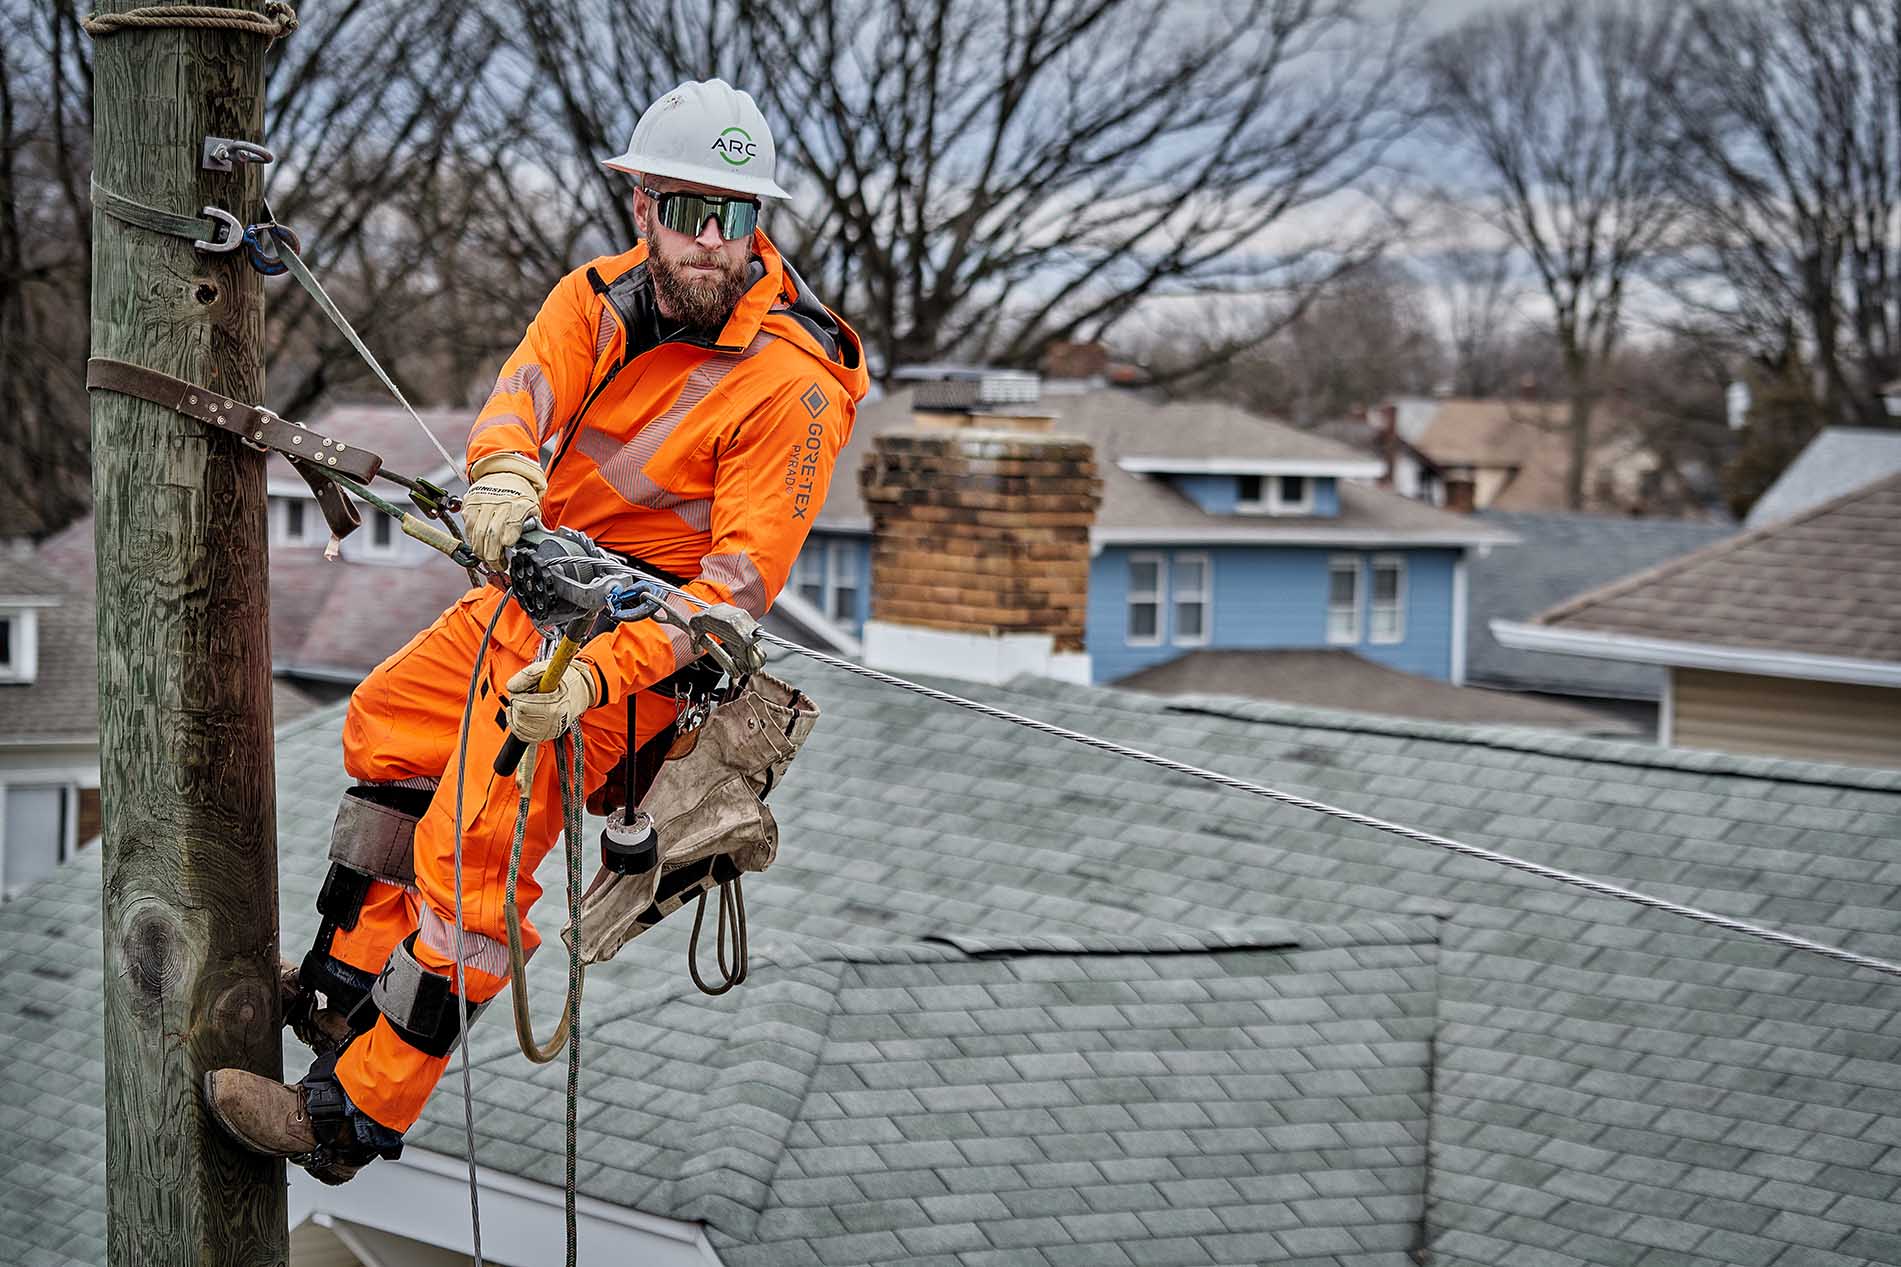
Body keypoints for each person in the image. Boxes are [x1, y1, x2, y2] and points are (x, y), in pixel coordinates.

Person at [204, 78, 868, 1183]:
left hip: (626, 661)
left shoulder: (790, 386)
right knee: (386, 733)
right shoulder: (597, 298)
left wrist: (592, 687)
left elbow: (729, 603)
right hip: (527, 599)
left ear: (762, 226)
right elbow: (523, 396)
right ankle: (339, 991)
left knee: (470, 854)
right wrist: (505, 477)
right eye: (686, 212)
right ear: (641, 207)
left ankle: (350, 1115)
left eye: (735, 218)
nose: (710, 244)